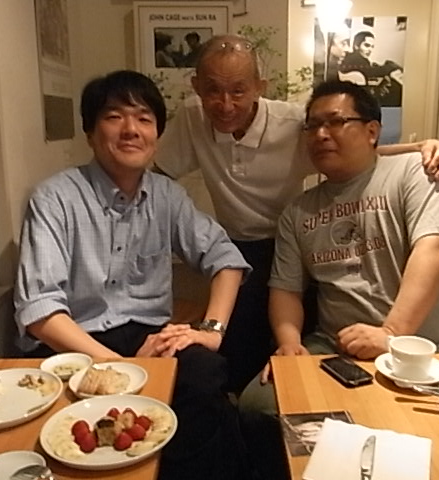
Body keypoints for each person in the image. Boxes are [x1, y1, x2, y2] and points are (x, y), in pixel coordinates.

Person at [153, 34, 439, 395]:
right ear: (196, 87)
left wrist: (422, 148)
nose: (225, 103)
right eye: (213, 90)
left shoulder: (297, 124)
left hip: (289, 239)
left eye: (238, 90)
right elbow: (157, 174)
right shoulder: (192, 119)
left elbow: (353, 147)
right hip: (241, 245)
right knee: (242, 358)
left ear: (260, 88)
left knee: (300, 328)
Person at [13, 70, 257, 480]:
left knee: (206, 374)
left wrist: (211, 330)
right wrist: (118, 367)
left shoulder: (168, 196)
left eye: (144, 118)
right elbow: (39, 310)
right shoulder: (55, 198)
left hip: (149, 336)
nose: (131, 129)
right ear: (90, 133)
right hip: (73, 341)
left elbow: (225, 257)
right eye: (114, 117)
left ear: (156, 135)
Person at [238, 79, 439, 415]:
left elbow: (435, 250)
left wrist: (391, 333)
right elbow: (286, 289)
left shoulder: (418, 172)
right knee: (258, 405)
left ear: (372, 131)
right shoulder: (298, 211)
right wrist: (290, 344)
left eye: (336, 121)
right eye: (313, 125)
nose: (321, 134)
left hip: (417, 347)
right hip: (334, 347)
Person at [338, 31, 403, 106]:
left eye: (372, 47)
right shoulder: (351, 59)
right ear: (356, 46)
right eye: (367, 45)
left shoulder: (363, 60)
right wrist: (390, 67)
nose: (370, 50)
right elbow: (366, 70)